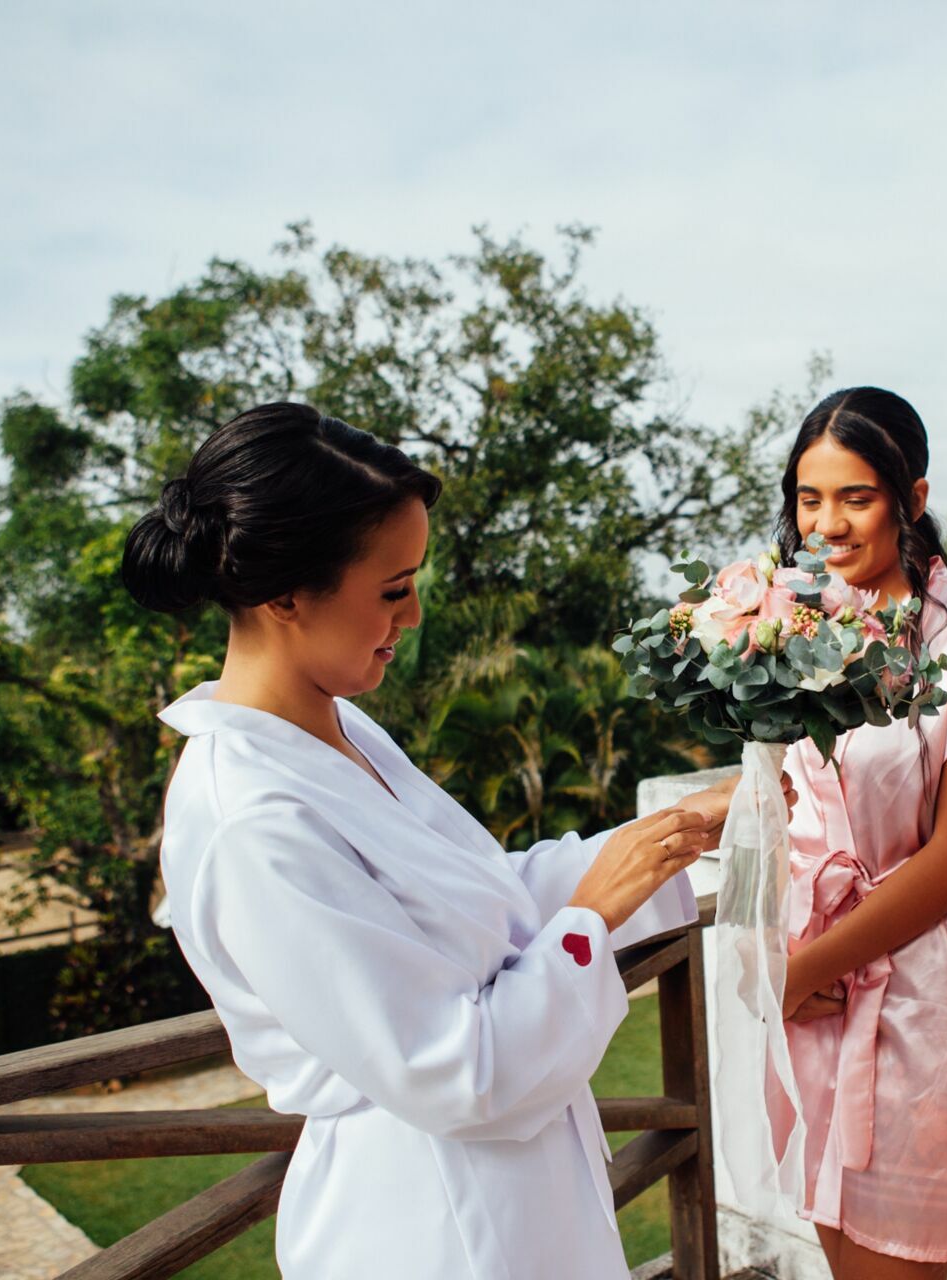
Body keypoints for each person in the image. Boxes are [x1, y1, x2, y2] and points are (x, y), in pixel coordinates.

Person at [122, 402, 757, 1279]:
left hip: (520, 1191)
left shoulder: (341, 732)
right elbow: (452, 1072)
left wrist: (685, 827)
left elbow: (472, 904)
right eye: (392, 590)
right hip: (426, 1215)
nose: (413, 616)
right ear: (283, 595)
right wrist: (591, 913)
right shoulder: (251, 820)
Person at [772, 387, 947, 1279]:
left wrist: (803, 970)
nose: (828, 524)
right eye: (811, 499)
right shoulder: (792, 624)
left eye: (856, 497)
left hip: (923, 987)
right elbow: (788, 793)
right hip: (814, 997)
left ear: (912, 499)